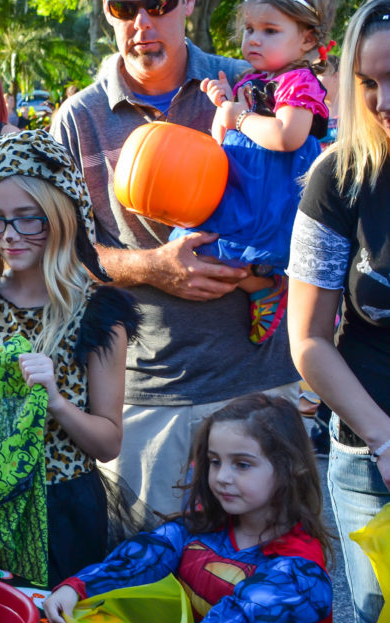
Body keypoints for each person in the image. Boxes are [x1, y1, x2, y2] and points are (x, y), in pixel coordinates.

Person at [49, 0, 300, 517]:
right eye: (125, 5)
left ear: (187, 4)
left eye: (159, 3)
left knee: (268, 582)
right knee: (148, 582)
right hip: (150, 397)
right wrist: (152, 267)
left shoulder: (255, 83)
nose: (142, 23)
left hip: (259, 384)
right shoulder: (79, 119)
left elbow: (316, 192)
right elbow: (61, 253)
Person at [0, 129, 142, 585]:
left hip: (62, 513)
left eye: (28, 219)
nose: (8, 235)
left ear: (61, 218)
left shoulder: (97, 313)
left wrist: (57, 401)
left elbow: (108, 443)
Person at [43, 393, 333, 623]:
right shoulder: (202, 526)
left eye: (242, 464)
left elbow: (245, 617)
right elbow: (143, 556)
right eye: (215, 461)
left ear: (291, 467)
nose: (222, 477)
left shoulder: (301, 568)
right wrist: (78, 586)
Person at [287, 2, 390, 623]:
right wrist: (383, 436)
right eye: (369, 83)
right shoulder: (338, 176)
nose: (383, 101)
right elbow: (307, 341)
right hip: (369, 460)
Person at [169, 0, 335, 344]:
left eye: (269, 31)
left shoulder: (299, 82)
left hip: (271, 192)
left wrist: (239, 117)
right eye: (249, 30)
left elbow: (289, 136)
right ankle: (263, 286)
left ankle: (265, 286)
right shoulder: (253, 79)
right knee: (195, 244)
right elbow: (224, 137)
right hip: (242, 182)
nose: (254, 39)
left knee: (241, 248)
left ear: (306, 40)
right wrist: (225, 105)